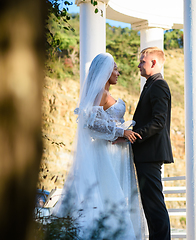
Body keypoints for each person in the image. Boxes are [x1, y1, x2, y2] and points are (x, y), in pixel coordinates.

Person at [52, 53, 144, 240]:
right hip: (106, 153)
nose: (118, 72)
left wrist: (121, 133)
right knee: (109, 193)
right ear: (106, 71)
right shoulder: (100, 94)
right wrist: (121, 132)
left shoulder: (106, 94)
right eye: (115, 69)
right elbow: (91, 124)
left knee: (115, 194)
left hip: (116, 151)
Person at [132, 47, 174, 240]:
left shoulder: (159, 85)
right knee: (150, 205)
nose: (139, 65)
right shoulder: (150, 84)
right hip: (146, 153)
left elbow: (159, 122)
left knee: (154, 205)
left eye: (142, 61)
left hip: (150, 153)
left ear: (153, 63)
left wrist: (133, 135)